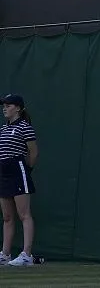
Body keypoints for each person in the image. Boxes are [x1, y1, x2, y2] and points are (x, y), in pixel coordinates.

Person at [0, 94, 38, 267]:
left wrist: (26, 170)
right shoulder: (4, 129)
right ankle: (5, 254)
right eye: (4, 105)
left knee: (24, 214)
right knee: (7, 217)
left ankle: (26, 254)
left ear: (18, 108)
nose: (4, 108)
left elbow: (33, 152)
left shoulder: (25, 127)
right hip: (3, 171)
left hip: (18, 169)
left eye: (9, 105)